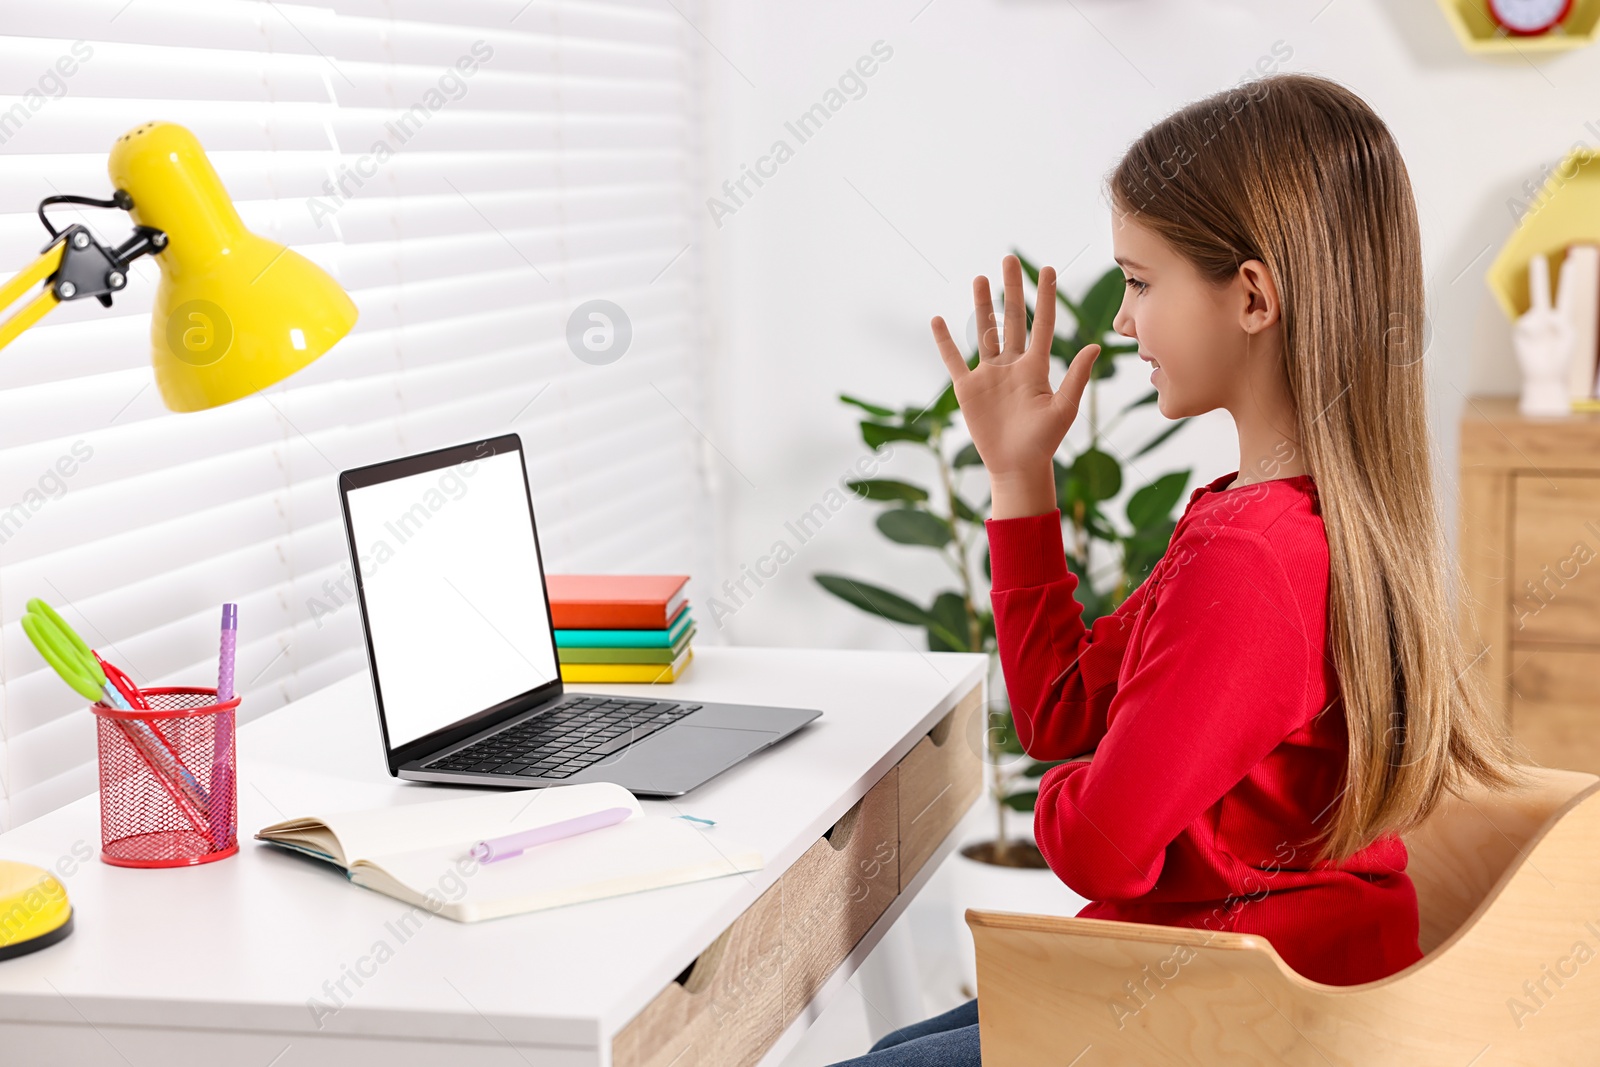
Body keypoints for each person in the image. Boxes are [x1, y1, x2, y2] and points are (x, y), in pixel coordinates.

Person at [825, 71, 1528, 1066]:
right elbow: (1062, 711)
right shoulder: (1272, 518)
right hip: (1223, 986)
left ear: (1250, 296)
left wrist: (1090, 786)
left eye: (1141, 282)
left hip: (1225, 1017)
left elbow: (1099, 842)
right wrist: (1021, 475)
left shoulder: (1250, 557)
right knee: (905, 1040)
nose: (1119, 323)